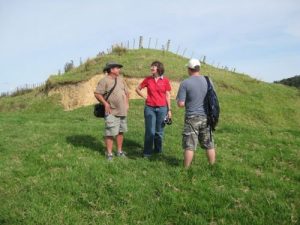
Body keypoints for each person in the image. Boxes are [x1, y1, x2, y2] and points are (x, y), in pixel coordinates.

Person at [176, 58, 216, 168]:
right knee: (209, 144)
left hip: (192, 118)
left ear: (189, 69)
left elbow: (181, 104)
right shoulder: (208, 80)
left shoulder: (185, 83)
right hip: (207, 117)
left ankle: (186, 169)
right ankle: (212, 166)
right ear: (199, 68)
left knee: (189, 145)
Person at [94, 61, 129, 160]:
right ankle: (109, 154)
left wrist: (127, 104)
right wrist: (105, 103)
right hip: (111, 111)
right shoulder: (104, 81)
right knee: (110, 132)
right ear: (111, 69)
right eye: (117, 68)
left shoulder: (121, 79)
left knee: (120, 131)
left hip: (122, 111)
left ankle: (119, 151)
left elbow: (127, 93)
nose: (119, 70)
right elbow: (97, 93)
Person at [136, 61, 172, 157]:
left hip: (162, 109)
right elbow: (137, 89)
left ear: (159, 68)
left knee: (159, 132)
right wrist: (145, 97)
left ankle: (158, 151)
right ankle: (147, 153)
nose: (152, 68)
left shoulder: (165, 80)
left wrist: (169, 110)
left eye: (154, 66)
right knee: (150, 131)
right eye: (151, 66)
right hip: (149, 108)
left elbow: (168, 95)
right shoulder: (148, 79)